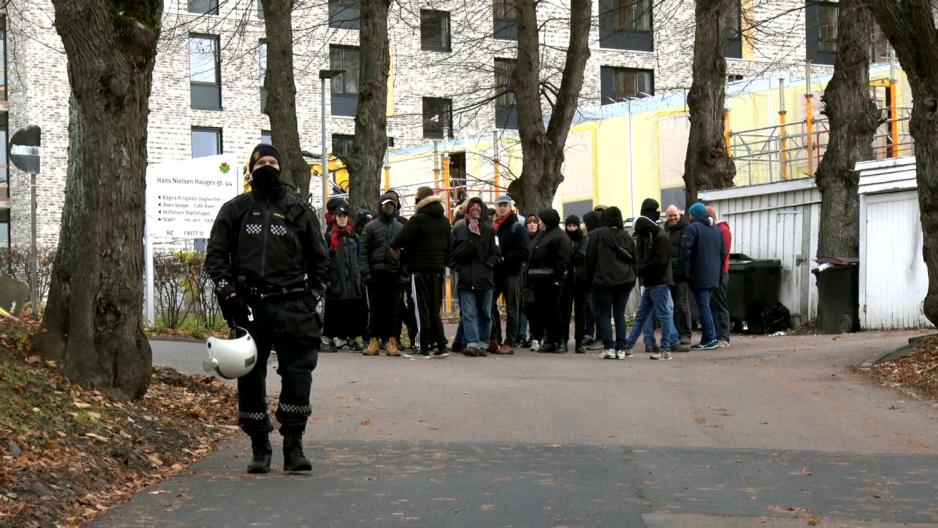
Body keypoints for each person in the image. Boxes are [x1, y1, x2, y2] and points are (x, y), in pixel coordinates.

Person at [206, 143, 328, 473]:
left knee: (299, 372)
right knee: (248, 374)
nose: (268, 167)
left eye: (274, 162)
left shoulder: (299, 211)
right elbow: (215, 257)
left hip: (293, 305)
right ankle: (259, 446)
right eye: (261, 163)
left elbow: (321, 261)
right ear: (252, 169)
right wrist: (228, 293)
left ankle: (294, 445)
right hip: (249, 306)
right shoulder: (235, 210)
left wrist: (311, 297)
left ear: (281, 168)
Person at [390, 186, 451, 357]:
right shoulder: (444, 220)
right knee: (434, 309)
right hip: (437, 270)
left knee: (419, 309)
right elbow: (449, 246)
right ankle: (441, 345)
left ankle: (421, 346)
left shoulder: (417, 220)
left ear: (420, 200)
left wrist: (401, 249)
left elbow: (398, 240)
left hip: (418, 270)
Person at [622, 216, 688, 360]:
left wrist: (641, 268)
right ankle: (628, 346)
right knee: (646, 316)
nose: (641, 237)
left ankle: (665, 350)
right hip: (655, 283)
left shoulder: (660, 238)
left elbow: (660, 262)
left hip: (659, 283)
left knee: (660, 317)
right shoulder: (656, 235)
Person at [449, 197, 500, 357]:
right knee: (468, 313)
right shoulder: (459, 230)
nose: (475, 208)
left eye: (478, 206)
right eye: (472, 206)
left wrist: (488, 265)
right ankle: (472, 343)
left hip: (485, 280)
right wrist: (459, 268)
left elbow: (496, 254)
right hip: (466, 280)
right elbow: (450, 254)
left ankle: (483, 343)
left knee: (485, 313)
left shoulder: (490, 231)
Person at [584, 206, 637, 360]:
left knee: (604, 314)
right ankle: (621, 348)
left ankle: (608, 348)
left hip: (603, 281)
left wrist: (589, 280)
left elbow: (590, 260)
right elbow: (634, 260)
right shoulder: (626, 236)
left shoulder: (597, 235)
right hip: (625, 280)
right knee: (620, 315)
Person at [359, 192, 404, 356]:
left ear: (395, 207)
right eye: (386, 205)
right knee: (375, 310)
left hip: (394, 274)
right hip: (375, 274)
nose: (389, 207)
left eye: (391, 205)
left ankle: (391, 341)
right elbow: (363, 252)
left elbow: (405, 253)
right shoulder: (370, 227)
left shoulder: (400, 228)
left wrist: (403, 273)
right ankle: (374, 340)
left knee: (393, 310)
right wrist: (365, 273)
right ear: (380, 207)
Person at [679, 202, 727, 351]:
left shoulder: (693, 228)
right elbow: (723, 253)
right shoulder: (716, 229)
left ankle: (710, 339)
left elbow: (685, 251)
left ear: (693, 215)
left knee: (704, 307)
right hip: (714, 275)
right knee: (708, 306)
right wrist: (719, 274)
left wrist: (687, 272)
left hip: (699, 274)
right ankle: (709, 338)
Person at [489, 195, 529, 355]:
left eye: (505, 205)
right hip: (496, 273)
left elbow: (524, 252)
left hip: (512, 273)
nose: (502, 208)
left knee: (512, 308)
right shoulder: (493, 227)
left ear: (510, 207)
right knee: (489, 304)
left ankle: (510, 342)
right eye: (499, 205)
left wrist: (505, 258)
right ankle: (494, 338)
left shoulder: (517, 227)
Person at [322, 202, 366, 352]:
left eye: (344, 216)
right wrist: (327, 278)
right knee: (334, 311)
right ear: (335, 218)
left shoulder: (354, 237)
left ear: (348, 218)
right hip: (336, 280)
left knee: (352, 311)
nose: (342, 219)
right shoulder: (330, 236)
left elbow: (360, 257)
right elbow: (325, 258)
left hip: (353, 281)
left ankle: (351, 339)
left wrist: (360, 275)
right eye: (340, 216)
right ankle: (331, 339)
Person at [527, 209, 571, 353]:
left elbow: (562, 260)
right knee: (544, 312)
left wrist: (557, 279)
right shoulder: (542, 235)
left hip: (552, 280)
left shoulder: (560, 237)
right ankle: (550, 341)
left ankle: (560, 340)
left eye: (540, 220)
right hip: (538, 280)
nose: (538, 223)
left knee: (556, 312)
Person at [665, 205, 692, 345]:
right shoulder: (666, 229)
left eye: (674, 215)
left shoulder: (686, 228)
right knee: (672, 306)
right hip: (669, 275)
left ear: (679, 214)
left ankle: (686, 334)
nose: (672, 218)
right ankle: (675, 335)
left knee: (682, 305)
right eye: (670, 215)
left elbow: (688, 252)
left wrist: (686, 271)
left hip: (681, 275)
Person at [561, 215, 588, 353]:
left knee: (580, 313)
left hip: (580, 280)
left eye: (574, 226)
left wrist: (571, 257)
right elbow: (563, 256)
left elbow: (581, 255)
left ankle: (579, 342)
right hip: (567, 280)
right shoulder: (563, 239)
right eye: (569, 226)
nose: (572, 228)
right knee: (565, 311)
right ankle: (564, 340)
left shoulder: (583, 239)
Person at [707, 206, 733, 348]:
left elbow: (724, 253)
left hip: (720, 273)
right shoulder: (717, 230)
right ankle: (718, 335)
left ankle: (723, 336)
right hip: (715, 272)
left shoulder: (722, 231)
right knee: (714, 304)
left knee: (719, 303)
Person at [581, 210, 603, 348]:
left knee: (595, 309)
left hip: (595, 278)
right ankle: (592, 334)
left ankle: (599, 337)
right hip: (596, 278)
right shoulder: (596, 235)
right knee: (591, 308)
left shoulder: (594, 236)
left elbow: (590, 259)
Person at [521, 212, 541, 349]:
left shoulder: (541, 238)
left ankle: (539, 336)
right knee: (528, 308)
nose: (532, 225)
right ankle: (532, 335)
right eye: (529, 223)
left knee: (539, 309)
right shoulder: (524, 239)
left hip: (538, 277)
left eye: (534, 222)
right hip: (526, 278)